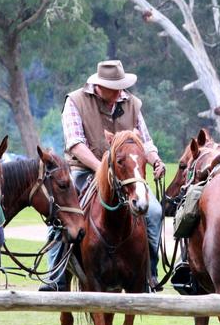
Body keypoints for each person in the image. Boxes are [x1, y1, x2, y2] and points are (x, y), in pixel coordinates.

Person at [40, 59, 166, 291]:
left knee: (155, 211)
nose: (119, 90)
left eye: (121, 85)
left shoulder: (132, 103)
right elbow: (75, 143)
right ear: (99, 86)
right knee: (62, 212)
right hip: (85, 169)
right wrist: (103, 168)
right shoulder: (76, 101)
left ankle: (149, 271)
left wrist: (156, 160)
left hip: (127, 173)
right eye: (114, 86)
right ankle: (55, 276)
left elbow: (145, 142)